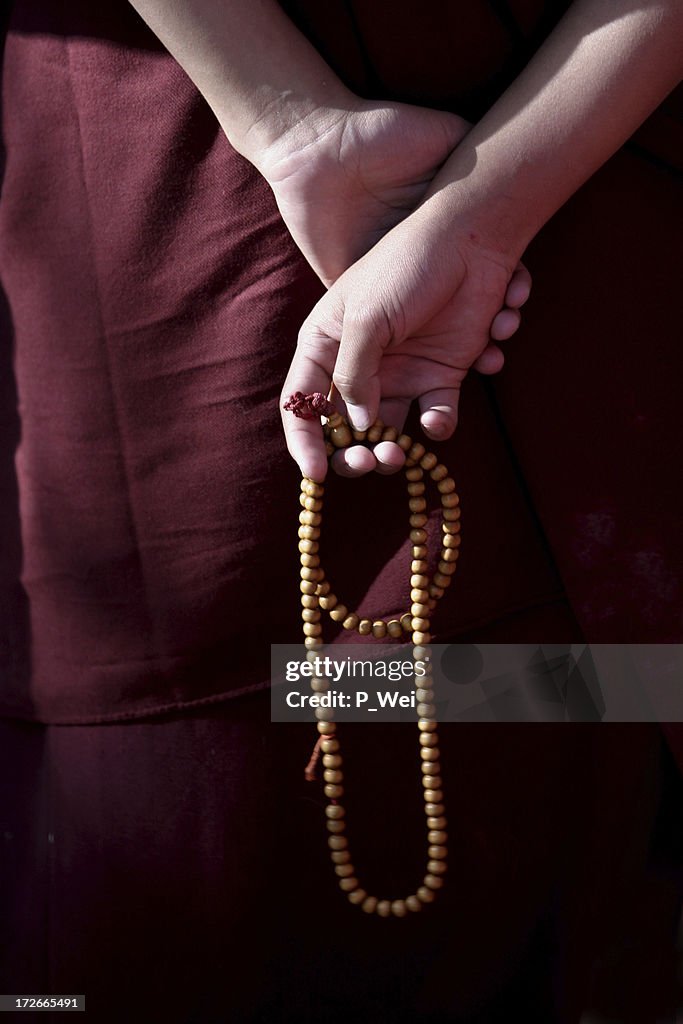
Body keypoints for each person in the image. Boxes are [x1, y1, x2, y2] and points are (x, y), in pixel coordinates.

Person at [0, 1, 681, 1021]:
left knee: (592, 718)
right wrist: (314, 134)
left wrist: (434, 181)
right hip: (231, 244)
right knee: (211, 801)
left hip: (563, 231)